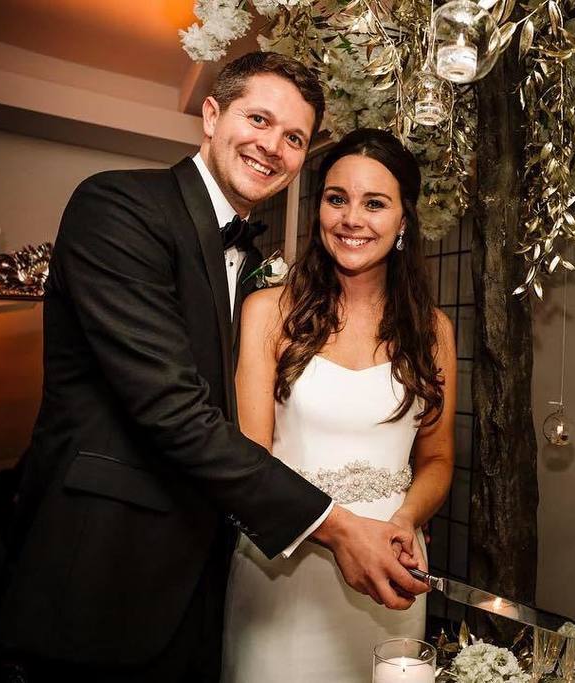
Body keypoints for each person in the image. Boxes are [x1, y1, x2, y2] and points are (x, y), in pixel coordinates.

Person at [0, 53, 427, 682]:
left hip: (207, 579)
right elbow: (173, 409)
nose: (272, 146)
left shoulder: (259, 268)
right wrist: (335, 525)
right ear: (210, 114)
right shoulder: (119, 207)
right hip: (105, 573)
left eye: (294, 138)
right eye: (259, 119)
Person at [221, 128, 456, 681]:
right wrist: (343, 531)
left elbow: (438, 458)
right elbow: (251, 462)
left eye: (375, 203)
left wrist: (405, 519)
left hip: (392, 571)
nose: (352, 219)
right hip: (284, 569)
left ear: (404, 220)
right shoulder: (268, 311)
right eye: (336, 199)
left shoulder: (433, 330)